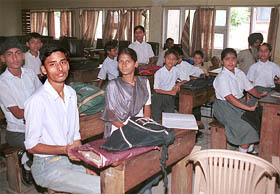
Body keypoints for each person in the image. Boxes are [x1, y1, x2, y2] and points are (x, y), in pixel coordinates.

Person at [24, 45, 100, 194]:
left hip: (68, 159)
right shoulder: (36, 101)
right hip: (46, 166)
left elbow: (75, 136)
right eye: (52, 64)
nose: (60, 68)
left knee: (106, 179)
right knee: (101, 188)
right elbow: (31, 146)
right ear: (44, 70)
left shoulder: (71, 93)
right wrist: (64, 149)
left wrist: (86, 166)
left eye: (63, 62)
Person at [0, 37, 42, 185]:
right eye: (9, 54)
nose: (15, 58)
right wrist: (44, 112)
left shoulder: (30, 73)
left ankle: (32, 161)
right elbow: (18, 113)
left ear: (23, 55)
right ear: (3, 58)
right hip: (18, 132)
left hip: (38, 126)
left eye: (18, 53)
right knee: (43, 145)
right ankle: (27, 163)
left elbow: (42, 96)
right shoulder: (2, 82)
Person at [213, 48, 267, 154]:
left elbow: (250, 88)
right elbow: (230, 98)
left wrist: (260, 95)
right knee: (245, 127)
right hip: (224, 107)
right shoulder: (222, 77)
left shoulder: (239, 73)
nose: (230, 62)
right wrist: (249, 108)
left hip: (238, 102)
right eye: (227, 59)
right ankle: (242, 155)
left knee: (257, 119)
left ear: (236, 60)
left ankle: (249, 147)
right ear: (222, 61)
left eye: (233, 59)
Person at [101, 48, 151, 138]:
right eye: (121, 61)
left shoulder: (144, 82)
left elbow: (147, 108)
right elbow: (111, 117)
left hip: (138, 125)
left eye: (128, 61)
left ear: (135, 64)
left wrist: (144, 126)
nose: (124, 65)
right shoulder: (113, 86)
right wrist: (129, 131)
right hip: (119, 129)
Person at [152, 49, 187, 121]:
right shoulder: (159, 72)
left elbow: (186, 78)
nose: (171, 61)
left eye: (173, 59)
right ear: (164, 60)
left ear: (176, 61)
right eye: (168, 58)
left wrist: (178, 84)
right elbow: (156, 89)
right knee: (156, 117)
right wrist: (170, 92)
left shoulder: (176, 70)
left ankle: (168, 130)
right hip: (158, 96)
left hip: (169, 97)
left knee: (169, 117)